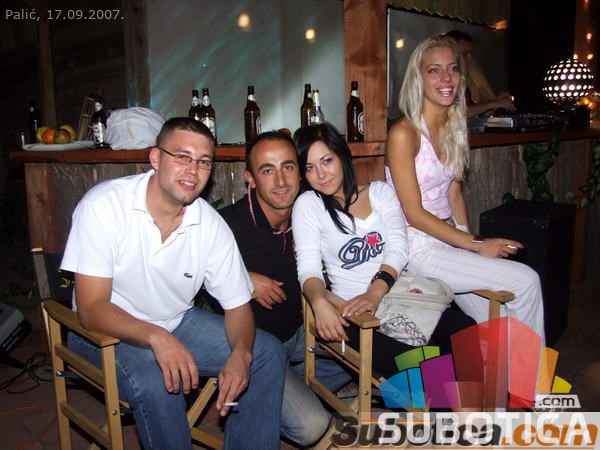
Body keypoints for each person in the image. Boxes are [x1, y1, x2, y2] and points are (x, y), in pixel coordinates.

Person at [61, 117, 286, 450]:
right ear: (156, 158)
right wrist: (157, 337)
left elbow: (238, 306)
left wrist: (241, 354)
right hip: (101, 333)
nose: (193, 171)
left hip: (176, 322)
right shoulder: (104, 206)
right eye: (182, 157)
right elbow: (92, 309)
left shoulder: (210, 226)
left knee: (265, 352)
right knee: (160, 379)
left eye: (204, 162)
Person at [385, 35, 545, 342]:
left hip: (448, 238)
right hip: (416, 245)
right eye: (434, 70)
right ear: (418, 77)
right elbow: (414, 213)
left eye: (453, 68)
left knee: (498, 324)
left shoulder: (454, 127)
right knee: (526, 282)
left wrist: (468, 243)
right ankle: (531, 376)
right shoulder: (405, 133)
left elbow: (454, 193)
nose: (446, 78)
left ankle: (507, 372)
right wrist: (476, 245)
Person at [292, 122, 476, 377]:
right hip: (354, 312)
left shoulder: (380, 192)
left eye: (327, 161)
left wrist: (375, 292)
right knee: (429, 364)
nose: (321, 174)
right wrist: (319, 301)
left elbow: (398, 248)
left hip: (398, 295)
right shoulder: (308, 205)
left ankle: (475, 405)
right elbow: (308, 268)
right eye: (310, 168)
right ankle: (451, 401)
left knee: (467, 332)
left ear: (342, 155)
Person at [212, 131, 350, 446]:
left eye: (288, 167)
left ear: (300, 172)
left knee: (359, 349)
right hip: (256, 346)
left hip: (301, 334)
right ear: (250, 178)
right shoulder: (227, 225)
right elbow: (190, 273)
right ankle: (272, 390)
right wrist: (243, 279)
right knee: (312, 426)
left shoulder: (311, 212)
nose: (280, 181)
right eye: (267, 170)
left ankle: (275, 391)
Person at [445, 30, 516, 117]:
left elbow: (474, 115)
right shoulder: (446, 81)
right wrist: (492, 104)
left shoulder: (462, 81)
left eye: (471, 53)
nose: (470, 58)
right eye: (465, 54)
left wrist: (498, 103)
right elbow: (459, 112)